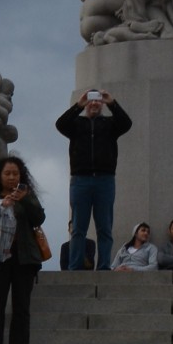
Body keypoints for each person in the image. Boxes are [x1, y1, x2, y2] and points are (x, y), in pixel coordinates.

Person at [55, 84, 132, 269]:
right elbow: (60, 124)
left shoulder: (110, 124)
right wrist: (78, 105)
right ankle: (75, 268)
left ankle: (104, 266)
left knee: (104, 228)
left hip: (104, 179)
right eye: (91, 100)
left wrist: (112, 102)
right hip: (80, 180)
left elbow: (126, 123)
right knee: (78, 229)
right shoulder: (76, 124)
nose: (95, 103)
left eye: (98, 100)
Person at [0, 154, 46, 344]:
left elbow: (39, 218)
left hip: (24, 257)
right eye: (7, 173)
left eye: (15, 173)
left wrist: (24, 199)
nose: (11, 177)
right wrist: (1, 206)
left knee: (21, 308)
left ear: (21, 175)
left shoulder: (27, 195)